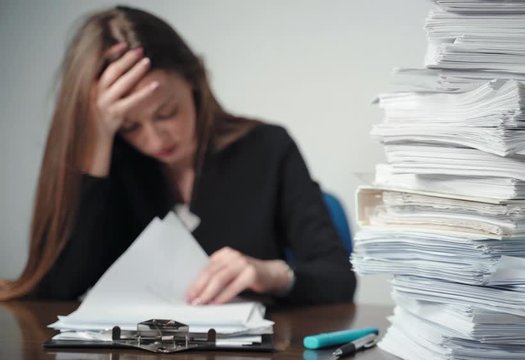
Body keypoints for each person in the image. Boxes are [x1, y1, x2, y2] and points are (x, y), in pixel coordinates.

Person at [0, 5, 356, 305]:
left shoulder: (268, 148)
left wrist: (271, 273)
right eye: (128, 126)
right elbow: (60, 290)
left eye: (166, 112)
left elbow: (339, 278)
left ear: (194, 78)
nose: (155, 139)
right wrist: (95, 141)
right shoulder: (111, 164)